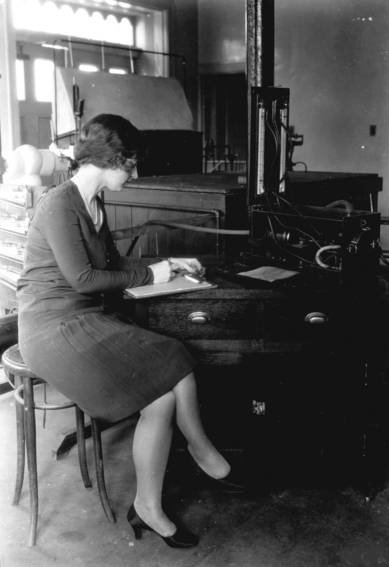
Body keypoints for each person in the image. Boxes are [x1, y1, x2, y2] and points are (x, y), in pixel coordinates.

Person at [16, 114, 243, 550]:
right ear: (111, 160)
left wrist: (168, 265)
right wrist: (153, 274)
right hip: (50, 327)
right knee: (166, 381)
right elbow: (84, 279)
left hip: (83, 316)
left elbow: (115, 267)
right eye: (131, 164)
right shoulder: (59, 203)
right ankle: (180, 475)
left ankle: (174, 478)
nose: (134, 173)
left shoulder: (95, 203)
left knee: (171, 375)